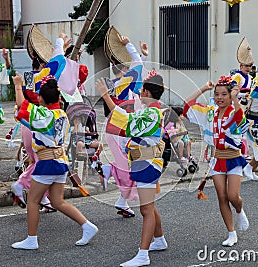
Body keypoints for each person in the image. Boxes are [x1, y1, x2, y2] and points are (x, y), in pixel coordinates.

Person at [11, 74, 98, 250]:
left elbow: (22, 105)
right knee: (58, 202)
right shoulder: (62, 115)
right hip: (61, 162)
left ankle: (32, 239)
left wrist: (18, 86)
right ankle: (87, 226)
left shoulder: (44, 114)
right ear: (59, 98)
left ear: (41, 99)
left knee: (33, 201)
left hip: (47, 163)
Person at [97, 72, 167, 267]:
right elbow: (127, 117)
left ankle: (143, 254)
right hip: (142, 162)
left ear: (145, 90)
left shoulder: (152, 112)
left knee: (145, 209)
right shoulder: (149, 109)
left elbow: (127, 123)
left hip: (148, 163)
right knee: (149, 206)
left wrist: (105, 97)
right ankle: (159, 240)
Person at [184, 76, 249, 247]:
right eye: (217, 94)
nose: (220, 98)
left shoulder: (234, 111)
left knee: (233, 196)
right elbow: (187, 106)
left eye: (224, 94)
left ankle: (240, 210)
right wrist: (204, 88)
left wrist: (235, 97)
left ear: (230, 95)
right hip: (216, 159)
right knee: (222, 197)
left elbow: (240, 114)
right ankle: (231, 232)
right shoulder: (210, 112)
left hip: (233, 158)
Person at [100, 27, 149, 217]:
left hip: (117, 125)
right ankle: (109, 170)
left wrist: (142, 57)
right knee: (134, 163)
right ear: (124, 67)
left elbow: (137, 68)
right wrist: (129, 45)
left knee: (131, 162)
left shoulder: (115, 82)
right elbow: (136, 66)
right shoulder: (128, 79)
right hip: (126, 126)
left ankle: (122, 201)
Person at [231, 37, 254, 161]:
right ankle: (237, 151)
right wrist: (242, 95)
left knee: (244, 129)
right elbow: (232, 92)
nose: (248, 68)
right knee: (237, 128)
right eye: (246, 66)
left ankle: (244, 151)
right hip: (237, 104)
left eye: (250, 66)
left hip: (246, 105)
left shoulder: (250, 78)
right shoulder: (237, 76)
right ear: (241, 66)